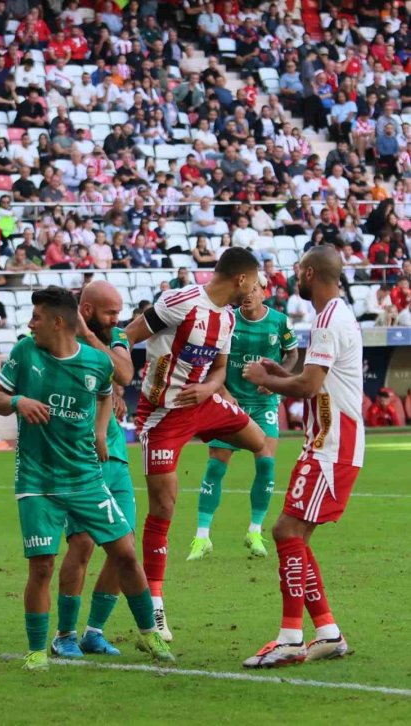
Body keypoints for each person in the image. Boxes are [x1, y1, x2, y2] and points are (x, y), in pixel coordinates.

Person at [0, 287, 173, 670]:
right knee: (42, 566)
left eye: (36, 317)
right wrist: (18, 402)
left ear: (57, 321)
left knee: (125, 551)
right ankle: (40, 648)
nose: (29, 322)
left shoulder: (94, 361)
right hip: (38, 482)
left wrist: (101, 432)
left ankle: (148, 632)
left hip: (87, 479)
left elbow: (106, 394)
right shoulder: (25, 352)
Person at [124, 248, 266, 642]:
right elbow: (128, 335)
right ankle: (154, 602)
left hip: (201, 405)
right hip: (163, 415)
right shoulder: (181, 301)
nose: (256, 289)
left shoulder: (228, 318)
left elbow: (219, 369)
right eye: (254, 282)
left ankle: (245, 524)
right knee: (164, 507)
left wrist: (208, 388)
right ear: (240, 279)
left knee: (259, 442)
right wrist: (116, 384)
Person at [242, 246, 365, 667]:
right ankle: (327, 632)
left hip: (332, 446)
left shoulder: (329, 318)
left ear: (310, 273)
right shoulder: (336, 315)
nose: (295, 276)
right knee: (293, 535)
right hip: (327, 444)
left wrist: (266, 380)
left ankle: (291, 638)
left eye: (298, 271)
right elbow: (317, 380)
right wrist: (279, 375)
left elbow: (311, 387)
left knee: (286, 530)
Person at [53, 280, 139, 657]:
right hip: (78, 455)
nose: (117, 319)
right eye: (109, 312)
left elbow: (124, 374)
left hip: (115, 455)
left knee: (125, 549)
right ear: (85, 311)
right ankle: (65, 635)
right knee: (83, 543)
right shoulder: (58, 336)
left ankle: (94, 631)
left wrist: (94, 337)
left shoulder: (115, 335)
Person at [188, 275, 300, 561]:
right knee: (216, 465)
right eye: (245, 290)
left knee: (266, 462)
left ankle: (254, 530)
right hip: (230, 402)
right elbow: (213, 361)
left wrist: (276, 378)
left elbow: (292, 354)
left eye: (254, 289)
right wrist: (223, 391)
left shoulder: (279, 321)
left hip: (263, 404)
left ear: (264, 292)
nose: (248, 295)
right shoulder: (227, 320)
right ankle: (202, 537)